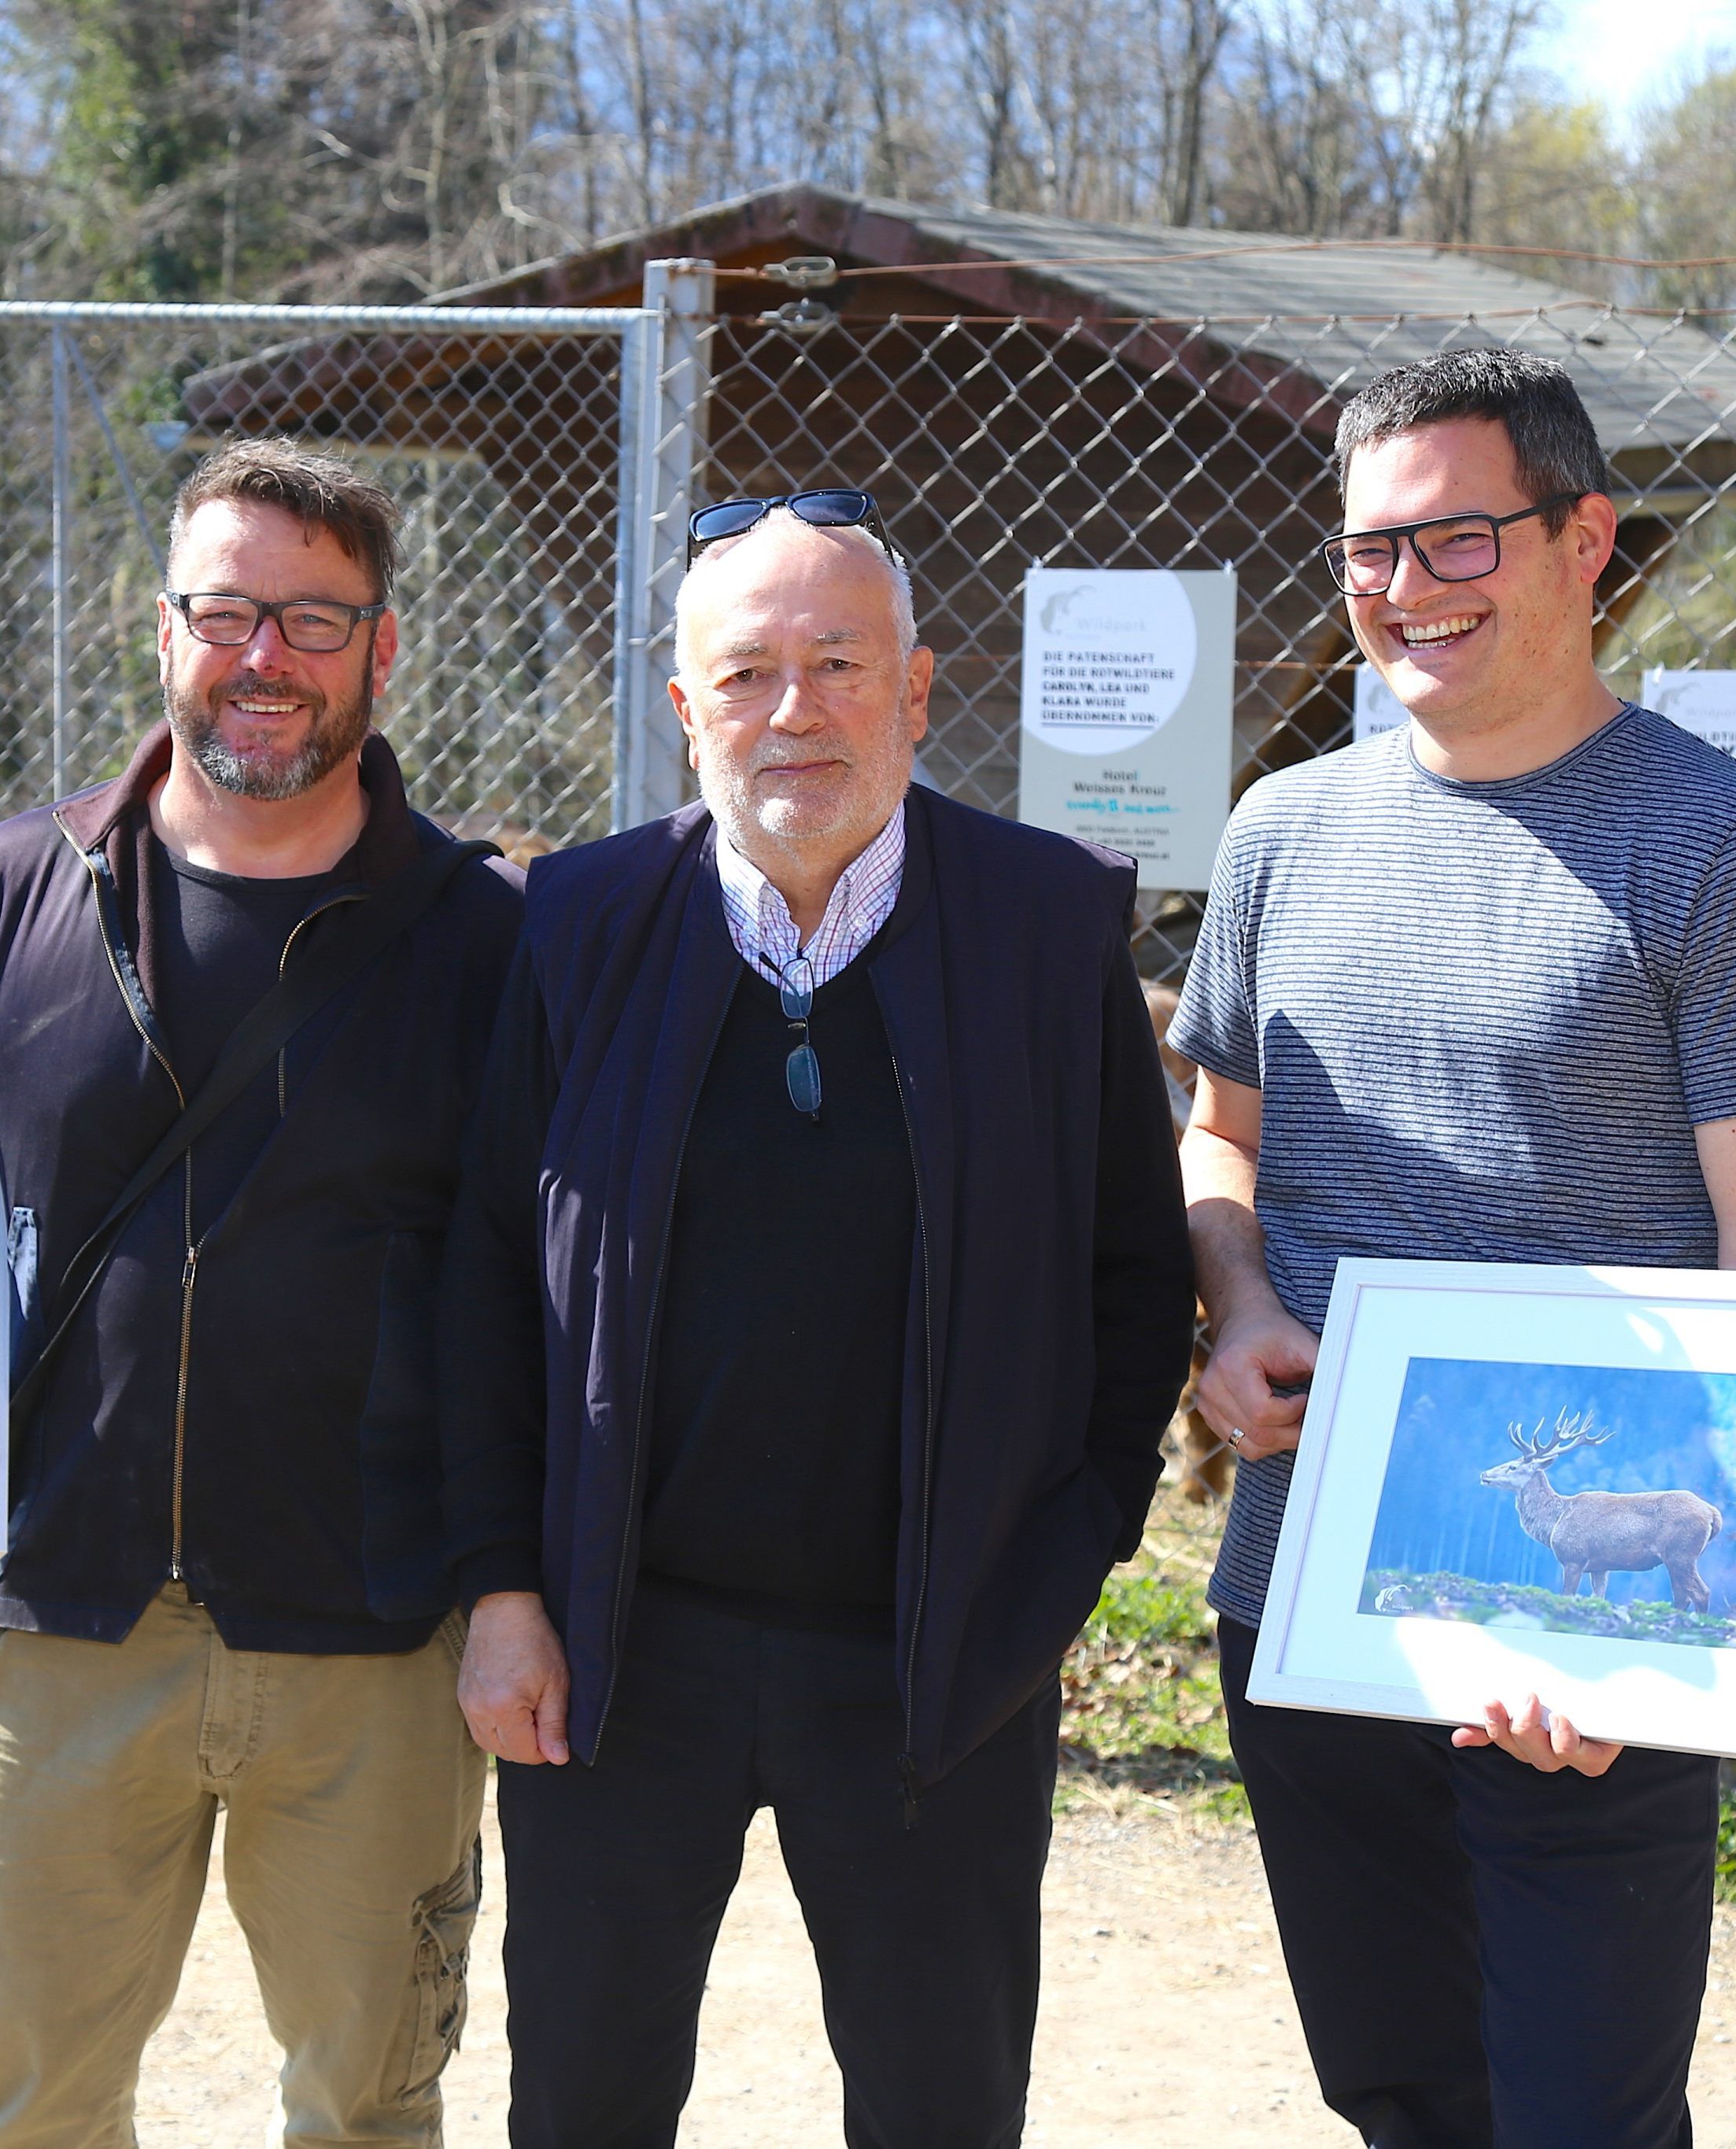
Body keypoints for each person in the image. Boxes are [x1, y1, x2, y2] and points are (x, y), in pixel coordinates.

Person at [0, 440, 523, 2149]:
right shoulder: (16, 890)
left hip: (371, 1638)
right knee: (27, 2109)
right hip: (54, 1617)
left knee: (368, 2110)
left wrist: (509, 1581)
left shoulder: (486, 932)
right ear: (162, 630)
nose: (264, 656)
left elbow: (537, 1288)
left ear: (384, 648)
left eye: (313, 617)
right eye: (227, 610)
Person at [439, 492, 1197, 2148]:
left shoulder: (1047, 926)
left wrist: (1056, 1562)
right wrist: (503, 1588)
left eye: (839, 664)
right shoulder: (577, 924)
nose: (796, 711)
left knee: (940, 2104)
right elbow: (490, 1269)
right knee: (584, 2094)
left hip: (936, 1661)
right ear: (682, 707)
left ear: (917, 692)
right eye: (750, 671)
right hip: (617, 1656)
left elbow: (1137, 1278)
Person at [1169, 349, 1736, 2148]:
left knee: (1578, 2116)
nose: (1408, 588)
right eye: (1372, 549)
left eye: (1460, 538)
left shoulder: (1735, 853)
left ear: (1585, 541)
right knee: (1401, 2092)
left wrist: (1667, 1656)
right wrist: (1232, 1304)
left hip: (1596, 1629)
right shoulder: (1281, 832)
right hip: (1306, 1587)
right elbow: (1221, 1134)